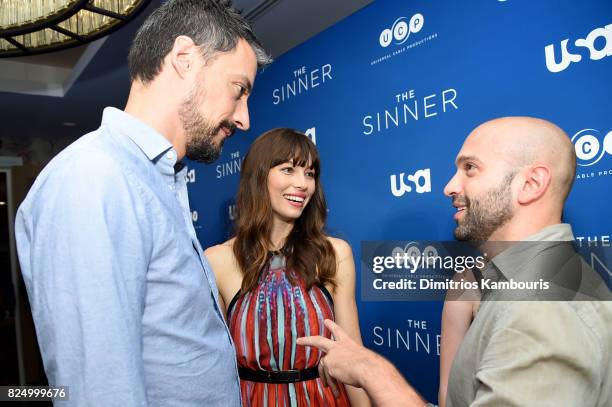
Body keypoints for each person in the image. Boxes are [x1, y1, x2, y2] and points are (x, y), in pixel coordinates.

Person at [14, 1, 271, 405]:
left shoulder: (154, 179)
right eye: (238, 90)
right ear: (184, 59)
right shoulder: (94, 177)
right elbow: (99, 390)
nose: (244, 119)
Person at [298, 117, 612, 406]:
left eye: (470, 168)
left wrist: (373, 373)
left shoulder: (542, 310)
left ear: (530, 184)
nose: (449, 186)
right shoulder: (529, 281)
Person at [205, 128, 370, 406]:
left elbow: (352, 353)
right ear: (259, 176)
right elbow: (213, 367)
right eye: (288, 169)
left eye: (309, 173)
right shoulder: (217, 260)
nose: (302, 184)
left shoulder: (334, 253)